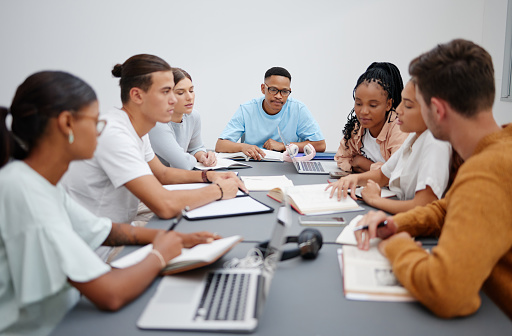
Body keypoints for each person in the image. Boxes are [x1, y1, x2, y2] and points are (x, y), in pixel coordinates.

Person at [0, 71, 219, 336]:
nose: (100, 130)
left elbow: (106, 231)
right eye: (94, 122)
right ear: (67, 124)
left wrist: (172, 238)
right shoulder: (23, 191)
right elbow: (110, 294)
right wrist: (160, 253)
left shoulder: (37, 182)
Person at [354, 39, 512, 319]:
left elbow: (446, 291)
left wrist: (398, 245)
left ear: (437, 110)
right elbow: (446, 207)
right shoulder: (499, 147)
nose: (400, 112)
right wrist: (396, 224)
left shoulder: (487, 171)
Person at [61, 54, 246, 260]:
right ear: (137, 96)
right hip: (96, 250)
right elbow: (164, 205)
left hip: (120, 227)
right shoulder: (115, 134)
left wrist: (209, 177)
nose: (174, 100)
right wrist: (219, 190)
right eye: (166, 91)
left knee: (200, 224)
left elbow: (163, 173)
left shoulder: (137, 128)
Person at [327, 80, 455, 214]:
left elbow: (423, 206)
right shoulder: (414, 137)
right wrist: (354, 179)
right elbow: (383, 175)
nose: (398, 110)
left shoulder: (435, 142)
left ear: (435, 110)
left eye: (408, 105)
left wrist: (375, 200)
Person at [215, 66, 326, 160]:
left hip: (286, 164)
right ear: (263, 88)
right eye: (273, 89)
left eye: (284, 91)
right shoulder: (247, 109)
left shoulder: (298, 109)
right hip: (255, 163)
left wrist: (284, 146)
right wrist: (243, 147)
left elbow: (320, 145)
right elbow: (220, 145)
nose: (278, 96)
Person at [334, 62, 408, 173]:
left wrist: (361, 163)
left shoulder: (398, 128)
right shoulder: (357, 128)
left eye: (373, 105)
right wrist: (376, 171)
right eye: (358, 104)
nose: (363, 112)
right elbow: (341, 158)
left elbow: (397, 174)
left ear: (388, 104)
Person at [148, 67, 216, 169]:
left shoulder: (193, 116)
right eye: (180, 93)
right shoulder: (156, 123)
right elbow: (183, 164)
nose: (189, 97)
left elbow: (195, 147)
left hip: (178, 179)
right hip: (155, 181)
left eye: (191, 90)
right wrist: (188, 157)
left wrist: (203, 156)